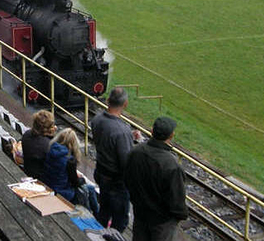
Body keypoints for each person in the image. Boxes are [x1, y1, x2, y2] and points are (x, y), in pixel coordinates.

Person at [125, 117, 188, 241]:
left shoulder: (135, 152)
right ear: (171, 135)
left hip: (140, 213)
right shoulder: (172, 165)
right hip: (162, 222)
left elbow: (127, 179)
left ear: (152, 131)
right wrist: (180, 215)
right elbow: (177, 200)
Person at [90, 87, 136, 232]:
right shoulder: (122, 131)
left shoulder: (97, 119)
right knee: (120, 221)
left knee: (104, 211)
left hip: (101, 173)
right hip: (116, 182)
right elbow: (126, 163)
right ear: (125, 104)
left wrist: (128, 137)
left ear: (108, 100)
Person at [43, 128, 99, 215]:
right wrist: (81, 179)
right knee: (90, 189)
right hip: (63, 192)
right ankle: (96, 215)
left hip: (49, 185)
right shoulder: (69, 160)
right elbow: (75, 182)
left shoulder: (51, 150)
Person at [21, 110, 56, 179]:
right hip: (42, 179)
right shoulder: (48, 145)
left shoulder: (26, 134)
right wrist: (52, 136)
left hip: (28, 171)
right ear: (47, 129)